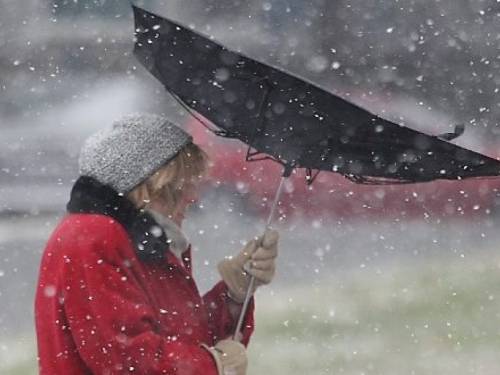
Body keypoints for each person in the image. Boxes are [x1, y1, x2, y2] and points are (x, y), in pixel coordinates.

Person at [34, 113, 279, 375]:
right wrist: (213, 364)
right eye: (185, 184)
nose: (194, 197)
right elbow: (125, 356)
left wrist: (233, 296)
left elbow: (182, 333)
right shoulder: (94, 235)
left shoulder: (140, 240)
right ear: (154, 185)